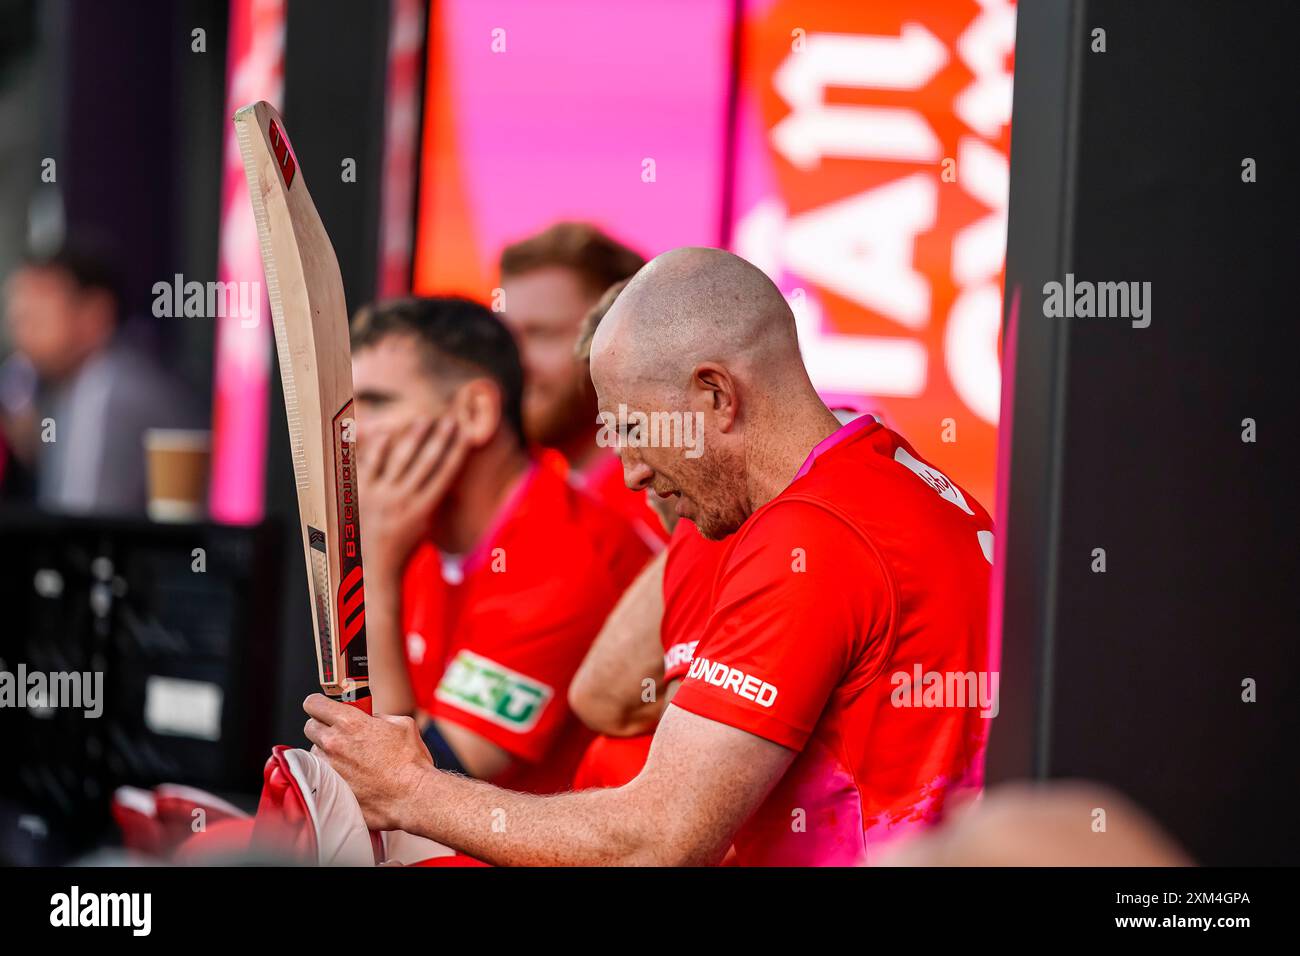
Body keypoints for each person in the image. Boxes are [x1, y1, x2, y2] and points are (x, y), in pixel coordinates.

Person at [306, 249, 994, 865]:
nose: (630, 475)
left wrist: (408, 790)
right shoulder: (872, 468)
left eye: (634, 429)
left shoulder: (809, 538)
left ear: (717, 394)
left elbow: (659, 839)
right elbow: (604, 700)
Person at [349, 297, 652, 794]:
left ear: (475, 411)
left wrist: (372, 576)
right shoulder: (415, 531)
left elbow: (418, 789)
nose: (350, 432)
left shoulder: (562, 554)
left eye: (376, 403)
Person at [498, 223, 664, 545]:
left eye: (541, 334)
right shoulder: (537, 496)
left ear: (621, 341)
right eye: (506, 339)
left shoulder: (666, 509)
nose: (514, 363)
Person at [2, 245, 197, 514]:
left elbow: (82, 533)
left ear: (95, 315)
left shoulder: (109, 390)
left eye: (38, 311)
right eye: (18, 314)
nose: (22, 326)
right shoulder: (73, 384)